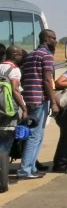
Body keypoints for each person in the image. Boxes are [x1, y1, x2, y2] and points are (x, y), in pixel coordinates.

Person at [17, 29, 60, 179]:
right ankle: (25, 170)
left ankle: (32, 167)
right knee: (35, 136)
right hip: (39, 99)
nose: (55, 41)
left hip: (28, 98)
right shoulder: (46, 55)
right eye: (53, 38)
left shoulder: (30, 55)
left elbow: (23, 78)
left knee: (37, 135)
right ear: (46, 39)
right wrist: (53, 102)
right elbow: (47, 80)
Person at [0, 46, 27, 192]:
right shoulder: (14, 70)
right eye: (21, 55)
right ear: (15, 55)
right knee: (5, 143)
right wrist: (24, 108)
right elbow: (15, 90)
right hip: (8, 110)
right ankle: (3, 178)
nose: (22, 58)